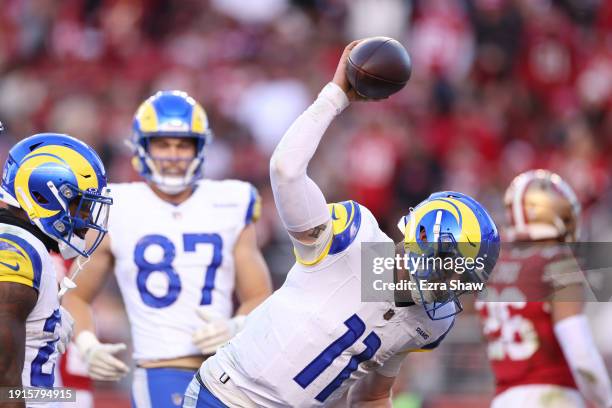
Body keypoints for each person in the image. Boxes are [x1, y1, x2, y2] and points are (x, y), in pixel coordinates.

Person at [182, 40, 500, 408]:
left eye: (463, 275)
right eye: (449, 265)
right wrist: (335, 96)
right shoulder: (353, 240)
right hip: (226, 396)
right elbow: (286, 172)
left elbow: (373, 395)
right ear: (421, 238)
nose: (453, 282)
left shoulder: (434, 320)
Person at [63, 90, 272, 407]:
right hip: (160, 369)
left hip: (228, 370)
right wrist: (88, 344)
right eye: (162, 144)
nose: (173, 155)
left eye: (182, 144)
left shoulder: (232, 200)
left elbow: (258, 296)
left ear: (199, 148)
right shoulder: (117, 205)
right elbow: (75, 296)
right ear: (142, 147)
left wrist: (236, 326)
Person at [476, 170, 612, 408]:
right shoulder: (558, 263)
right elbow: (581, 355)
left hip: (503, 399)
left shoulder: (494, 269)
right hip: (553, 397)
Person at [0, 132, 112, 407]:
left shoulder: (23, 243)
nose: (85, 221)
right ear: (44, 196)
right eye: (80, 206)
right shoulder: (17, 251)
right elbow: (3, 375)